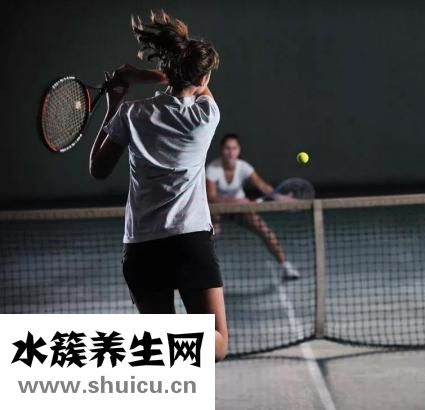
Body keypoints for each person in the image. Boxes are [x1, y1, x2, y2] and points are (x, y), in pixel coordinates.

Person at [88, 10, 228, 360]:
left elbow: (98, 169)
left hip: (142, 248)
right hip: (190, 242)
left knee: (160, 350)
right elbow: (196, 82)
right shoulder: (206, 115)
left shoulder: (131, 114)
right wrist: (147, 74)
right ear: (204, 75)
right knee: (218, 345)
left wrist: (117, 100)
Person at [206, 133, 300, 279]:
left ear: (239, 150)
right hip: (217, 210)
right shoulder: (212, 169)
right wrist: (237, 201)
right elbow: (211, 197)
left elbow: (263, 186)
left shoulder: (244, 167)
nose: (231, 152)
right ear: (221, 150)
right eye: (227, 148)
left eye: (234, 148)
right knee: (207, 238)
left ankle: (286, 266)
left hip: (241, 209)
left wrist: (281, 197)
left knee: (264, 230)